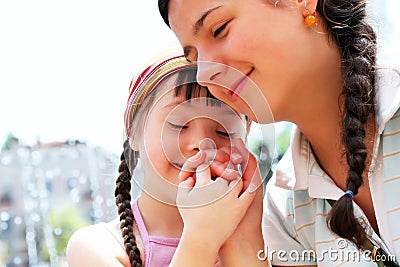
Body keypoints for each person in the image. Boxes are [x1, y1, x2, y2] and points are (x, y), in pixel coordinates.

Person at [157, 0, 400, 266]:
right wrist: (241, 240)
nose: (203, 74)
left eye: (219, 29)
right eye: (195, 59)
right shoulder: (284, 212)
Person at [66, 55, 257, 267]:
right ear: (133, 132)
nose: (203, 144)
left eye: (223, 130)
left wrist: (244, 241)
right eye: (178, 124)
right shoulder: (98, 247)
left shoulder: (270, 232)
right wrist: (201, 238)